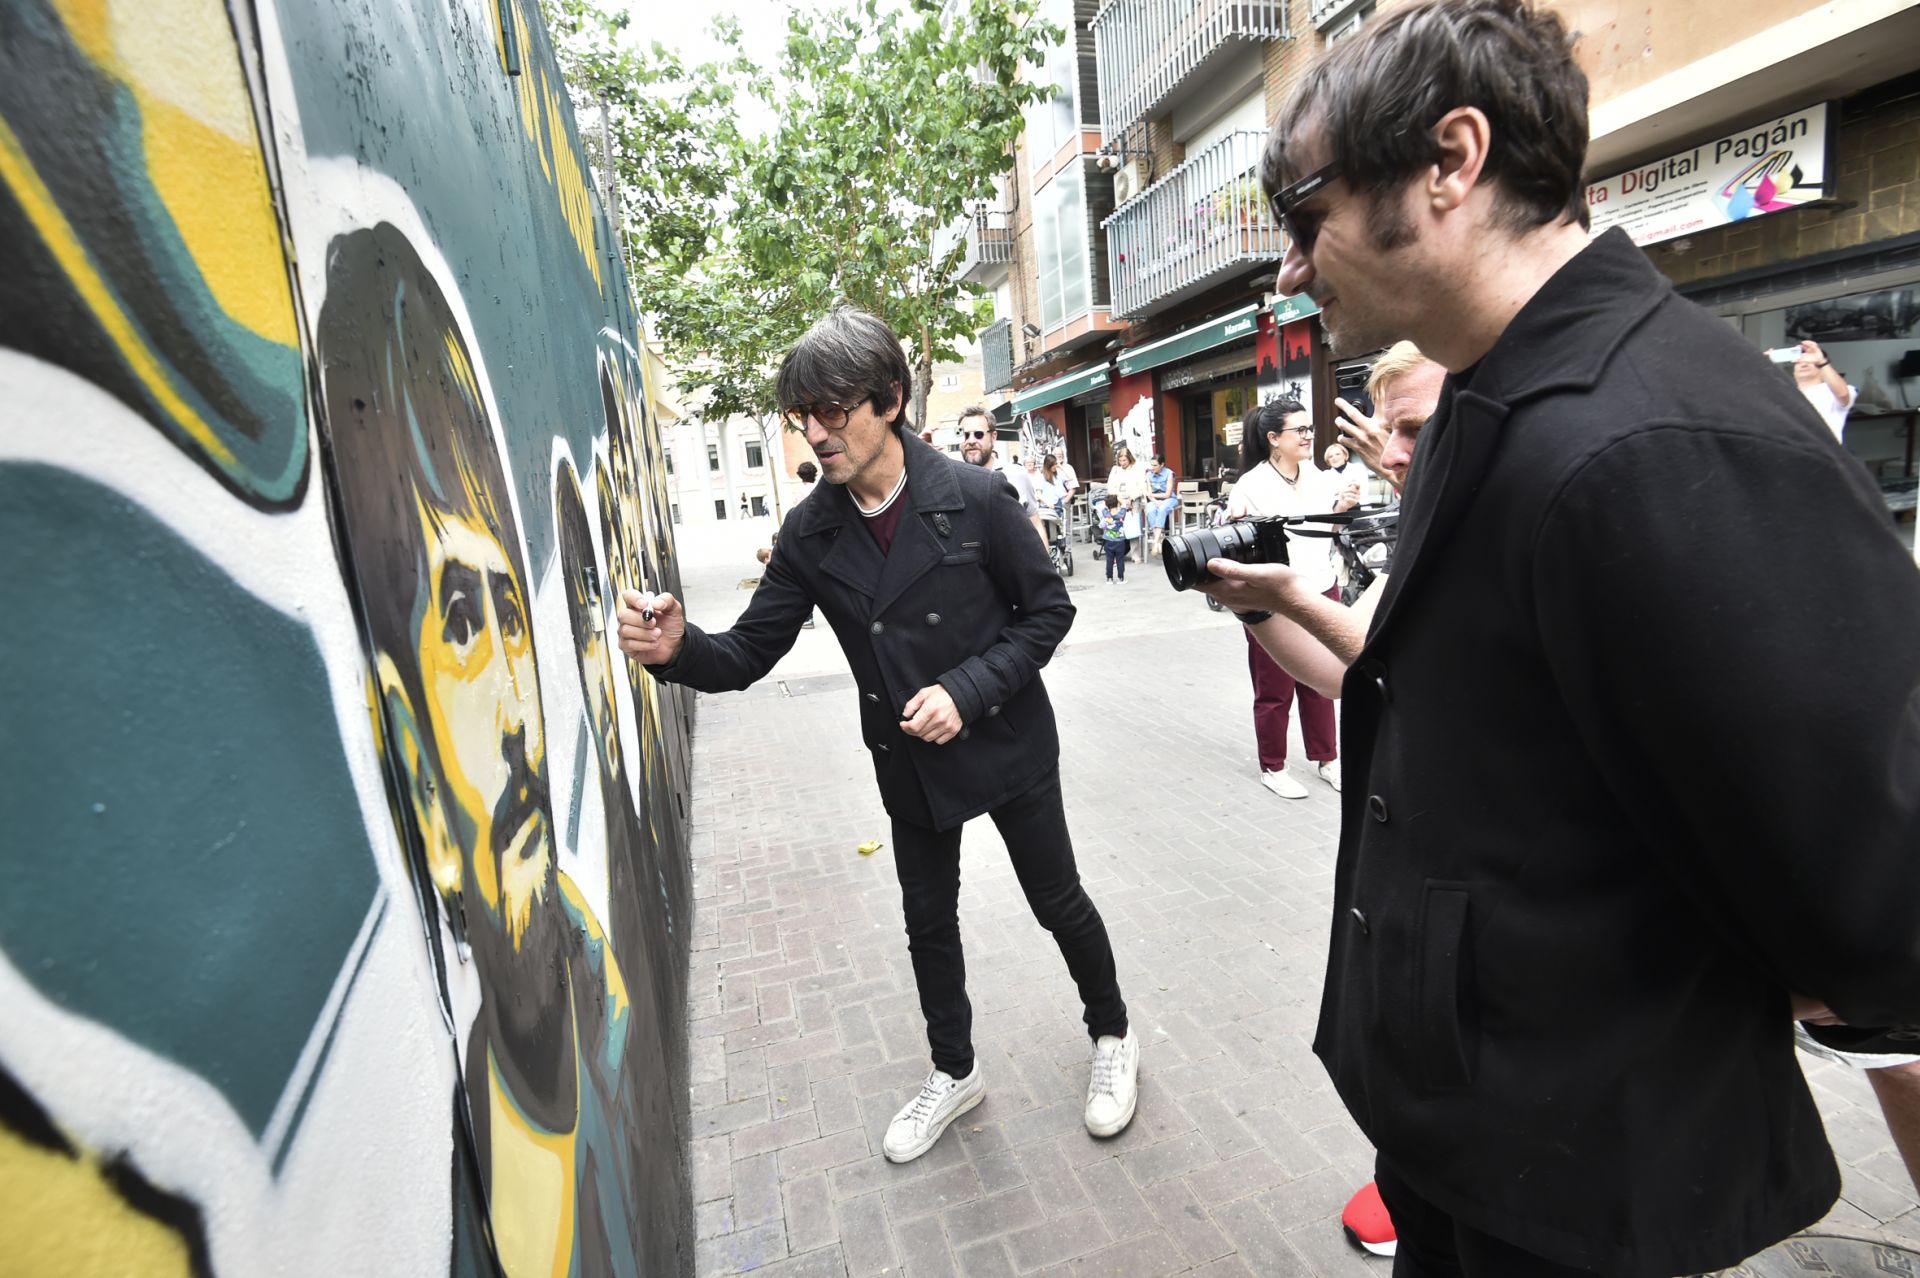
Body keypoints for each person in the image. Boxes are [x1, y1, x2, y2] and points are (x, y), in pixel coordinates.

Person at [1245, 2, 1920, 1273]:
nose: (1292, 268)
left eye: (1305, 216)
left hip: (1576, 1180)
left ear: (1451, 161)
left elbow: (1875, 888)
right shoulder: (1491, 395)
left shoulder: (1655, 443)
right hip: (1482, 1134)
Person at [614, 307, 1138, 1165]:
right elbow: (748, 652)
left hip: (1005, 741)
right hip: (909, 764)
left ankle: (1112, 1034)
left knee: (1057, 901)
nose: (816, 433)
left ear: (889, 399)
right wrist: (678, 652)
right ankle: (954, 1070)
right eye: (803, 417)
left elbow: (1049, 612)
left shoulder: (975, 497)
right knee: (928, 923)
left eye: (834, 411)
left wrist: (966, 692)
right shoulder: (811, 533)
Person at [320, 224, 673, 1277]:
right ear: (416, 778)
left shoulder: (603, 1003)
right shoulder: (453, 1204)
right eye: (459, 625)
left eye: (510, 615)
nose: (512, 701)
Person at [1226, 397, 1346, 799]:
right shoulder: (1250, 486)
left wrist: (1342, 509)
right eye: (1302, 430)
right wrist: (1234, 516)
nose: (1310, 436)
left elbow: (1327, 536)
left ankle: (1327, 759)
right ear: (1274, 438)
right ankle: (1273, 766)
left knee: (1321, 682)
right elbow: (1238, 538)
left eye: (1311, 428)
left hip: (1322, 587)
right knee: (1274, 687)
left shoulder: (1317, 476)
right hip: (1275, 598)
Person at [958, 405, 1048, 547]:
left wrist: (1045, 566)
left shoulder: (1016, 474)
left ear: (993, 437)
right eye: (965, 435)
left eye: (979, 434)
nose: (971, 440)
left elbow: (1035, 524)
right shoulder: (951, 479)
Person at [1793, 337, 1857, 442]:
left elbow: (1843, 395)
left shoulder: (1833, 392)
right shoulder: (1786, 392)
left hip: (1821, 455)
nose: (1804, 364)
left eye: (1810, 361)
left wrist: (1821, 361)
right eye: (1799, 361)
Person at [1104, 445, 1144, 554]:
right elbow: (1110, 486)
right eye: (1120, 460)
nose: (1122, 463)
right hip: (1118, 500)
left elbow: (1141, 488)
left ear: (1129, 459)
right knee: (1116, 525)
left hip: (1133, 500)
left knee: (1133, 526)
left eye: (1125, 460)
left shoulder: (1136, 469)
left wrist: (1130, 498)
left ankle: (1136, 555)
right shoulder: (1115, 470)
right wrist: (1119, 498)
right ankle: (1118, 552)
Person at [1141, 454, 1180, 556]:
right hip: (1155, 500)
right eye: (1151, 465)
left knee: (1162, 509)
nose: (1152, 468)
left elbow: (1167, 494)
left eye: (1155, 465)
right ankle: (1159, 541)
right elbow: (1149, 495)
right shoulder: (1148, 474)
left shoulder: (1169, 474)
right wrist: (1154, 500)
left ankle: (1155, 542)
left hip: (1169, 499)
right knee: (1149, 509)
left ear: (1162, 464)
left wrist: (1152, 495)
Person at [1096, 493, 1128, 582]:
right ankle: (1120, 578)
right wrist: (1119, 499)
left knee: (1109, 560)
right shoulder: (1121, 514)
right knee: (1120, 559)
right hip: (1120, 540)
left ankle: (1109, 578)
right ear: (1117, 503)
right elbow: (1124, 504)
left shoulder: (1106, 513)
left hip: (1108, 540)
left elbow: (1103, 506)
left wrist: (1107, 503)